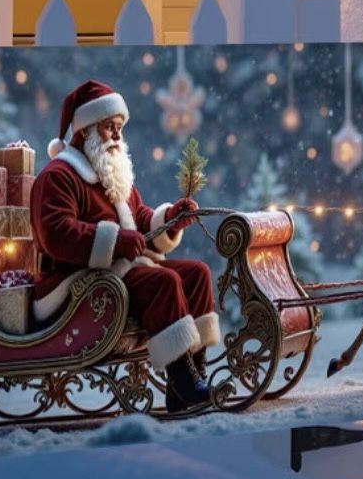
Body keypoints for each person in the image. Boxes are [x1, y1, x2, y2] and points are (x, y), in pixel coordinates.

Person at [29, 79, 220, 411]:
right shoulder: (59, 176)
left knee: (197, 273)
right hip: (77, 279)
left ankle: (192, 375)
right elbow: (56, 234)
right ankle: (184, 381)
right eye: (108, 127)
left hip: (120, 269)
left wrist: (170, 218)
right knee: (164, 282)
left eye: (119, 127)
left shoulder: (112, 173)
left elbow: (138, 217)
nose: (117, 135)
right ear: (85, 131)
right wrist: (116, 241)